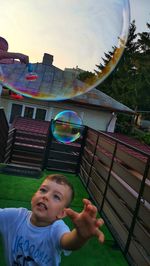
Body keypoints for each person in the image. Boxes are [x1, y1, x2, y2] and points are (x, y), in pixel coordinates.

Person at [0, 174, 105, 266]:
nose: (46, 196)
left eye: (56, 197)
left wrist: (80, 236)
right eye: (43, 190)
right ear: (33, 198)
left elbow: (67, 242)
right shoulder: (16, 217)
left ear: (62, 213)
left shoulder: (57, 228)